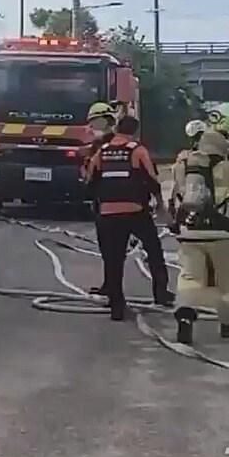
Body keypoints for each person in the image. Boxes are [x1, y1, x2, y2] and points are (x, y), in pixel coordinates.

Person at [86, 115, 174, 321]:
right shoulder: (137, 150)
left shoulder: (102, 152)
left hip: (108, 213)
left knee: (113, 259)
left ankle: (116, 306)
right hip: (135, 211)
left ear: (116, 129)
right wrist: (162, 208)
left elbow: (91, 182)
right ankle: (161, 293)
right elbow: (153, 181)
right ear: (134, 131)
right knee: (153, 250)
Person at [172, 129, 229, 343]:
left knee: (190, 278)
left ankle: (185, 317)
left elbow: (178, 186)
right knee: (226, 280)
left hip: (190, 231)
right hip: (222, 232)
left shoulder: (184, 165)